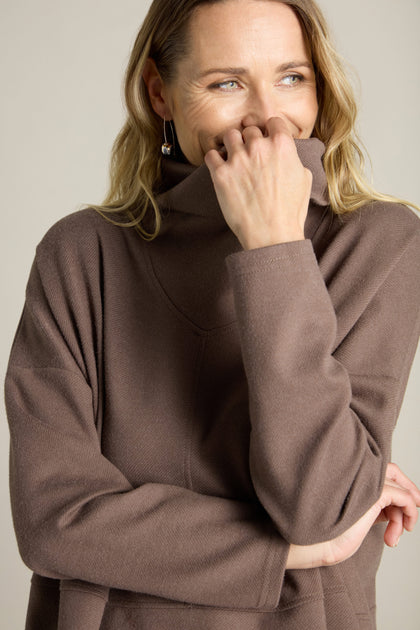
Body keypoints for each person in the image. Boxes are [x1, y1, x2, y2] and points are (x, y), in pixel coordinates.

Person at [5, 0, 420, 628]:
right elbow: (54, 523)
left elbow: (319, 506)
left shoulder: (381, 244)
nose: (267, 114)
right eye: (226, 82)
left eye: (292, 77)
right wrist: (287, 553)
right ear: (160, 94)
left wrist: (274, 249)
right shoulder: (81, 253)